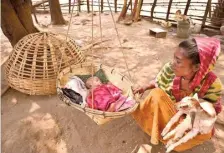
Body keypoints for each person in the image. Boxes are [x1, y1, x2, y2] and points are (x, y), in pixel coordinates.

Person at [132, 37, 223, 152]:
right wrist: (145, 87)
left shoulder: (212, 84)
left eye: (178, 61)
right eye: (174, 58)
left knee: (203, 133)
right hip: (171, 113)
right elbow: (158, 82)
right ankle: (159, 131)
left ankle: (166, 133)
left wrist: (189, 118)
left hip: (190, 120)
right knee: (156, 94)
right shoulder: (169, 69)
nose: (173, 63)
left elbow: (209, 113)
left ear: (196, 67)